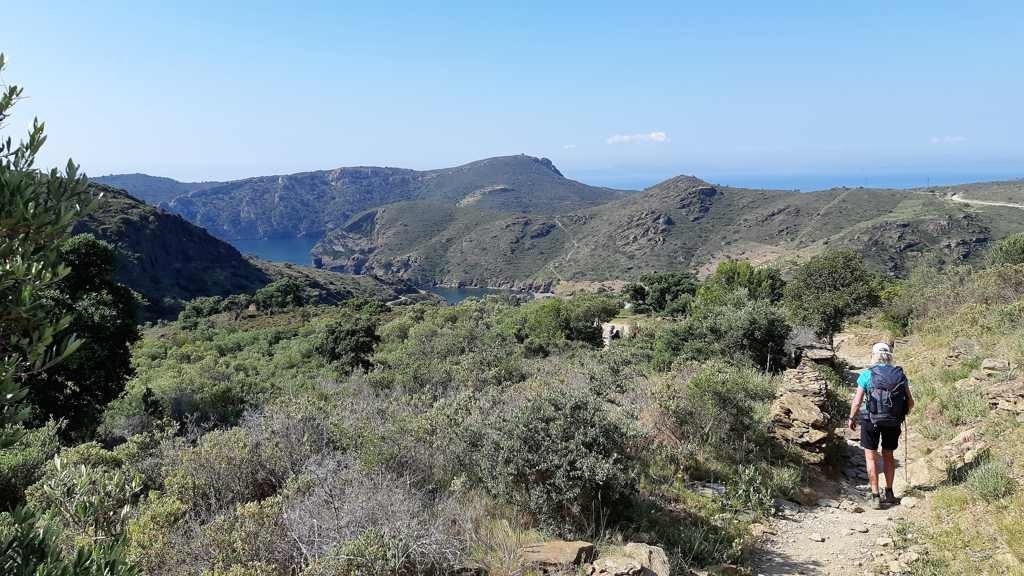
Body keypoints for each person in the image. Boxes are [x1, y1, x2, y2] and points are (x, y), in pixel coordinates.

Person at [847, 342, 914, 509]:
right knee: (888, 455)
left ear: (873, 355)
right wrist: (902, 413)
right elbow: (911, 402)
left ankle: (875, 496)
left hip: (870, 420)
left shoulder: (866, 375)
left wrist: (852, 418)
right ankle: (890, 493)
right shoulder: (899, 375)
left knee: (870, 457)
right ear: (889, 356)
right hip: (893, 420)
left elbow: (857, 402)